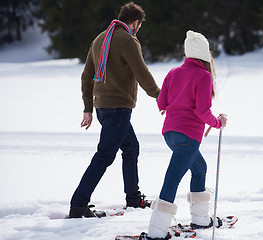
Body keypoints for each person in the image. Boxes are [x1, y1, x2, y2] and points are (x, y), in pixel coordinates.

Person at [68, 2, 160, 218]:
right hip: (118, 108)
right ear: (136, 22)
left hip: (103, 107)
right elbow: (142, 73)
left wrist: (88, 108)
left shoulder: (100, 38)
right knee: (105, 155)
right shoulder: (128, 40)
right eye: (140, 25)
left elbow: (86, 76)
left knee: (131, 148)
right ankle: (78, 205)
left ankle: (133, 199)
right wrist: (160, 95)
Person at [145, 30, 227, 239]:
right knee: (172, 178)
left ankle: (200, 219)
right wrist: (217, 123)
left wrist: (176, 103)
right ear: (204, 54)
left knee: (200, 169)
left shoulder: (173, 72)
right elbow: (201, 111)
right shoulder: (204, 75)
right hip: (188, 136)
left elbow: (161, 103)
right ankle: (157, 231)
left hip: (170, 134)